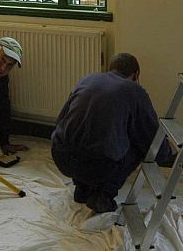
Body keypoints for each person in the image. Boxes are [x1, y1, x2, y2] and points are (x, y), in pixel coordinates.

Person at [51, 52, 172, 213]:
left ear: (110, 69)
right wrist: (167, 151)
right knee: (137, 147)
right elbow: (149, 134)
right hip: (98, 167)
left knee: (83, 141)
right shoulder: (135, 91)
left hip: (61, 156)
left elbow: (61, 121)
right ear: (135, 74)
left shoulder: (88, 79)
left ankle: (83, 189)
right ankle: (103, 196)